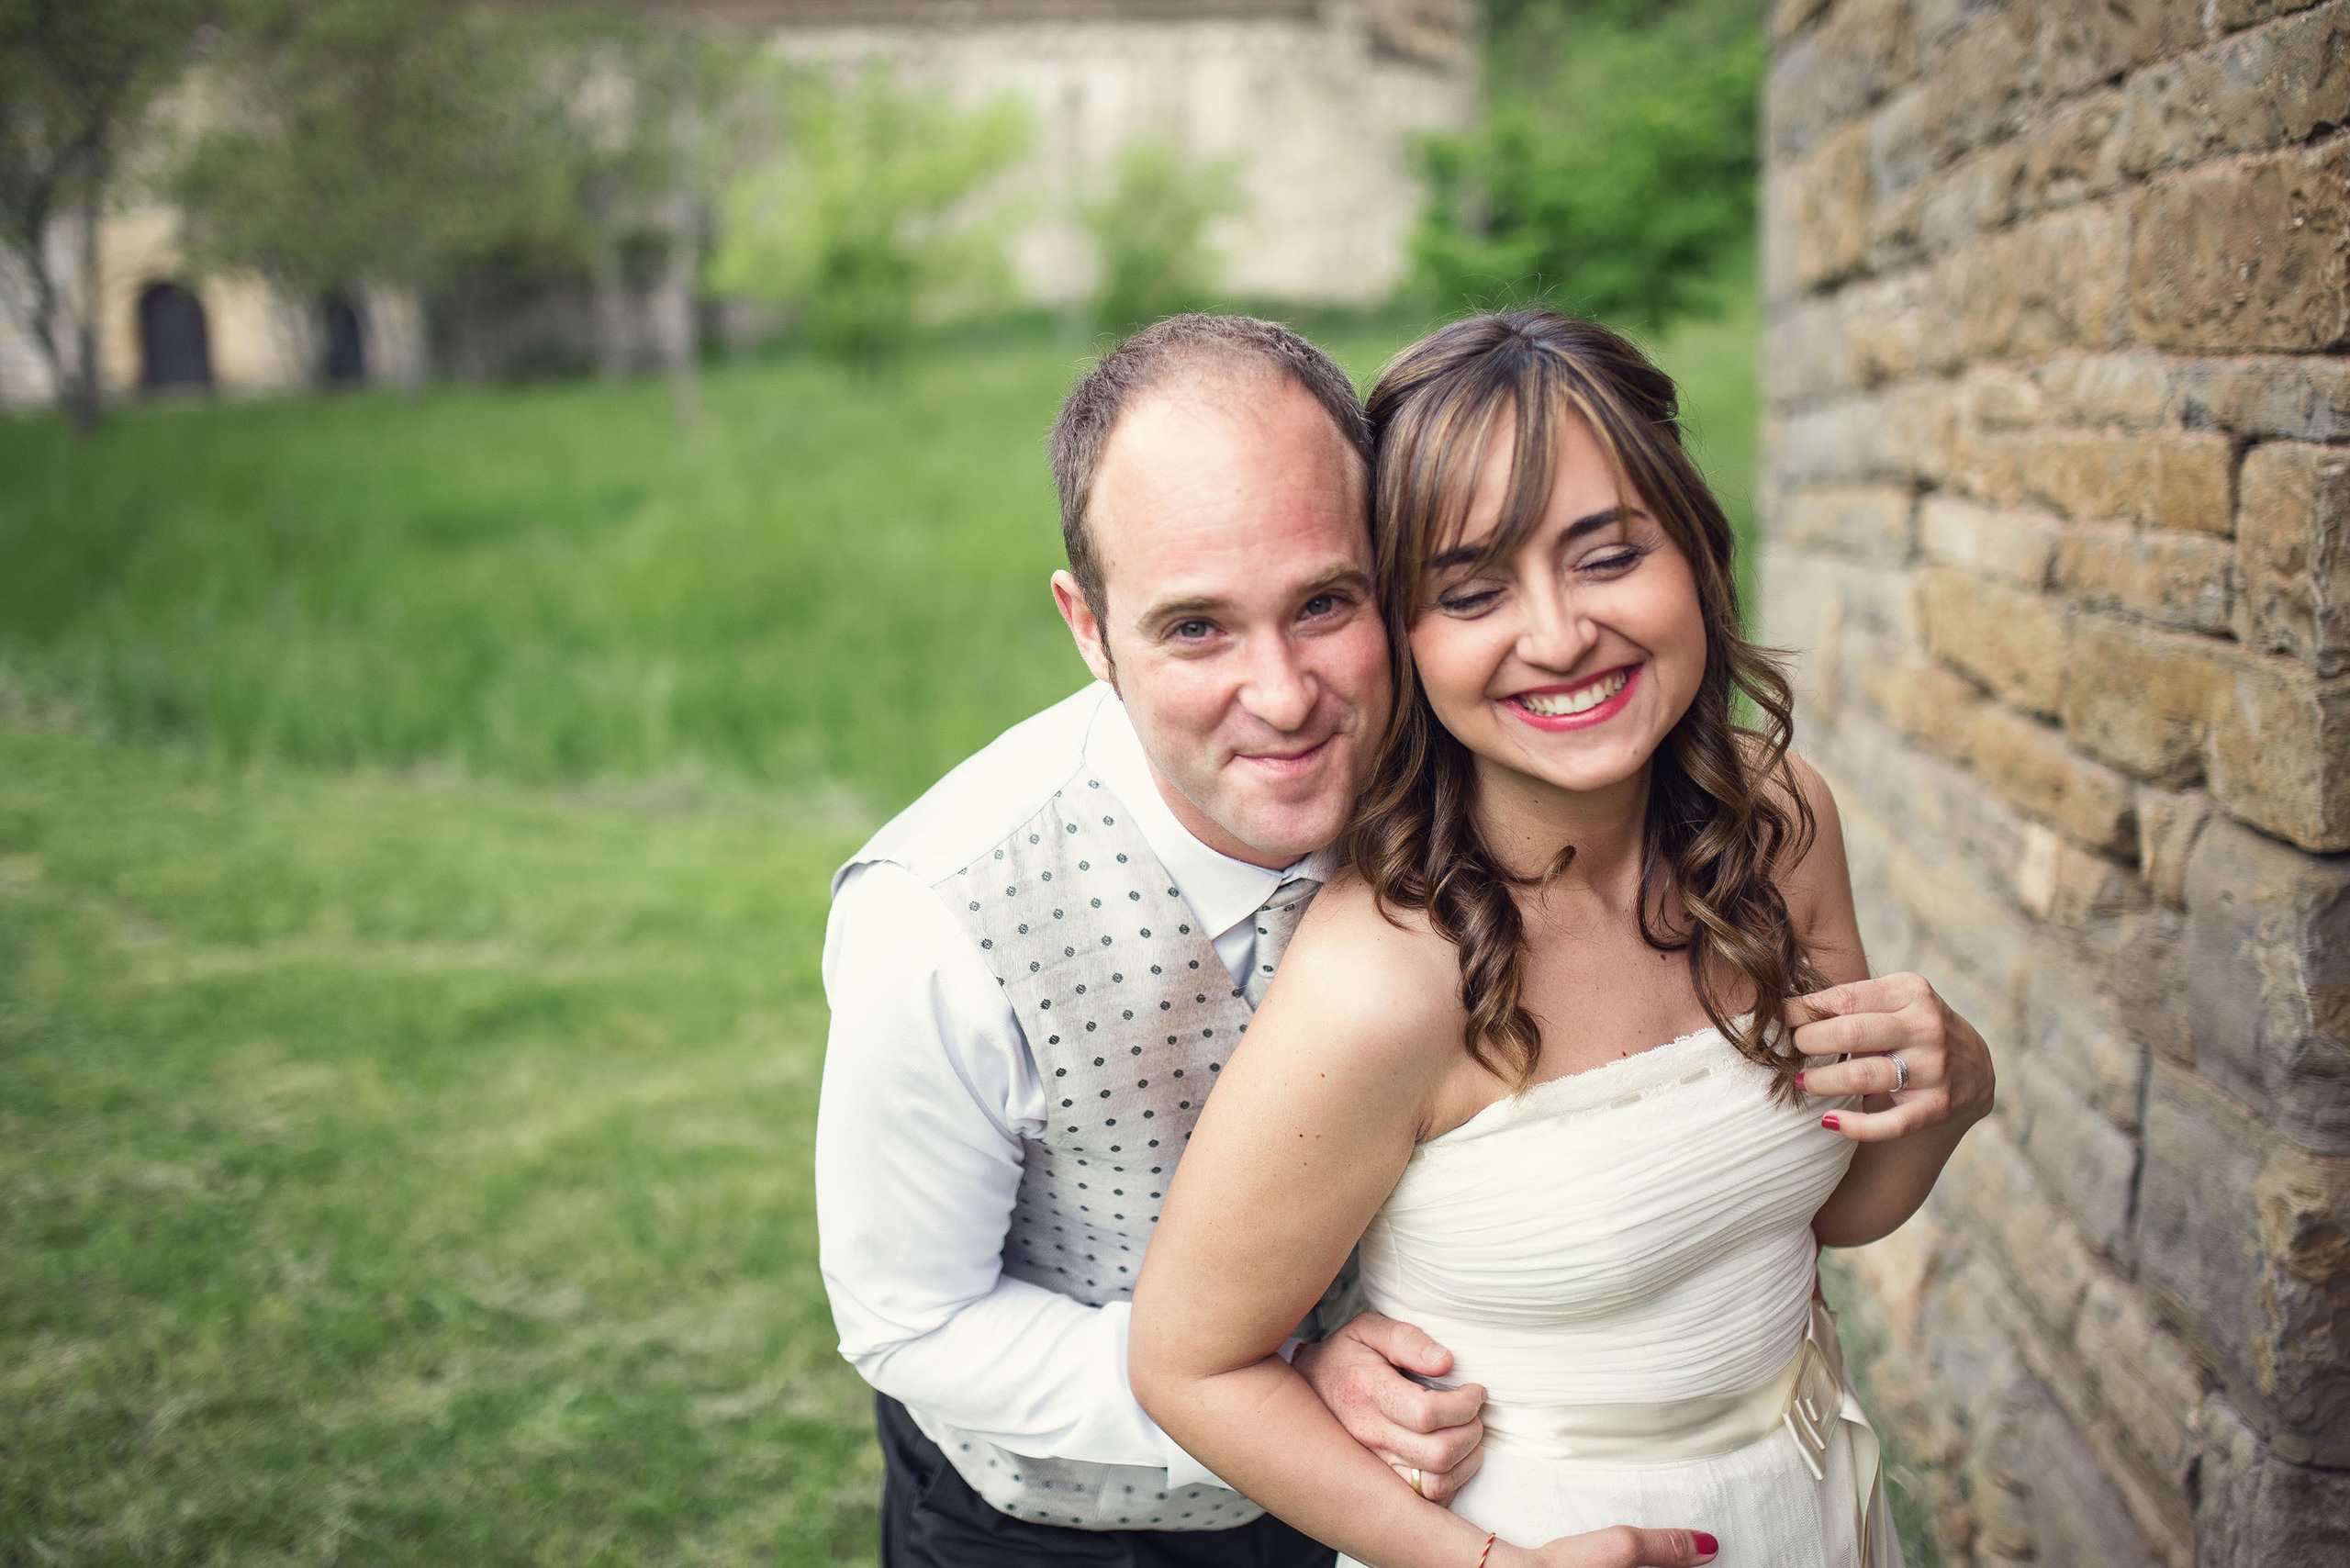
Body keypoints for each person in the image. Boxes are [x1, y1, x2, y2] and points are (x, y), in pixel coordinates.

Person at [1128, 310, 1997, 1568]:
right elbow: (1189, 1364)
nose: (1557, 636)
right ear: (1406, 639)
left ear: (1694, 551)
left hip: (1804, 1509)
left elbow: (1823, 1216)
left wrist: (1951, 1098)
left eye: (1607, 557)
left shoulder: (1776, 822)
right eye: (1472, 593)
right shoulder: (1385, 974)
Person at [817, 315, 1495, 1568]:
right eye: (1196, 628)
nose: (1284, 696)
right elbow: (913, 1320)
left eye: (1324, 603)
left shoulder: (1468, 783)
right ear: (1088, 627)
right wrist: (1272, 1394)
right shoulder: (941, 915)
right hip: (1055, 1526)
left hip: (1402, 1492)